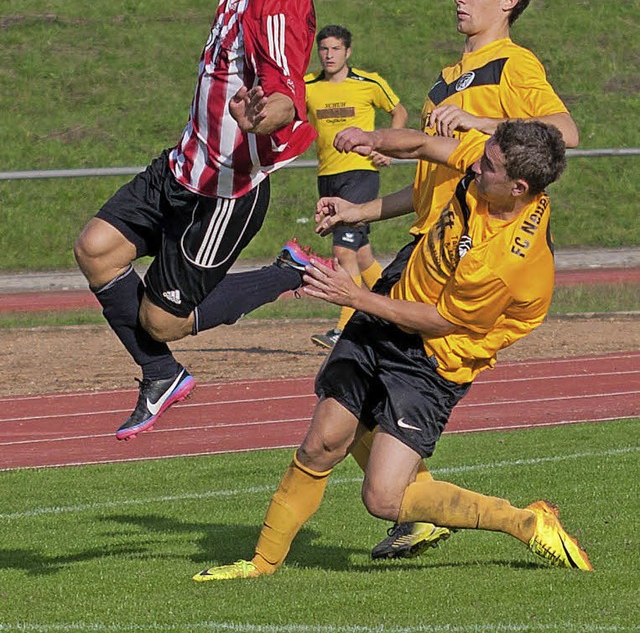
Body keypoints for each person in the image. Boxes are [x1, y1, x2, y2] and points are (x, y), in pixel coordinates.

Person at [192, 119, 593, 581]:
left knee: (382, 499)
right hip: (392, 302)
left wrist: (354, 296)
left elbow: (444, 320)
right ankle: (260, 564)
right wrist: (372, 143)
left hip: (436, 356)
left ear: (518, 187)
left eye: (487, 165)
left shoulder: (507, 262)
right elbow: (425, 145)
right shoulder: (496, 169)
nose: (475, 164)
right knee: (323, 441)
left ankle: (523, 521)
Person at [74, 0, 335, 442]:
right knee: (96, 249)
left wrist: (261, 114)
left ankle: (284, 274)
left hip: (228, 192)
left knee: (161, 318)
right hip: (183, 165)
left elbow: (288, 97)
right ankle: (161, 377)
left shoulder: (275, 5)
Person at [339, 0, 580, 561]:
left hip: (463, 265)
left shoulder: (514, 65)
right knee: (342, 395)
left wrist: (481, 124)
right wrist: (365, 207)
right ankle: (413, 507)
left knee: (350, 397)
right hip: (427, 244)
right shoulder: (448, 79)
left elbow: (565, 132)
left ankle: (434, 506)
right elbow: (432, 184)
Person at [305, 24, 408, 349]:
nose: (329, 54)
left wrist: (386, 147)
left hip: (360, 174)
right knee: (362, 256)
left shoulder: (367, 83)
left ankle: (345, 327)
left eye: (335, 49)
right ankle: (395, 313)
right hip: (328, 176)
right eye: (324, 49)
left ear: (347, 52)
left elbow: (398, 110)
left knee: (343, 250)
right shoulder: (308, 86)